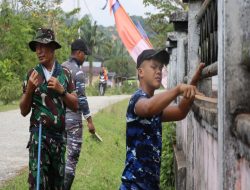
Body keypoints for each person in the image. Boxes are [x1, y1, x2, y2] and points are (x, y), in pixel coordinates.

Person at [119, 49, 205, 190]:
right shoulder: (137, 99)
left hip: (150, 185)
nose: (159, 71)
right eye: (153, 67)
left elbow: (180, 112)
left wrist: (193, 84)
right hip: (134, 185)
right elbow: (147, 108)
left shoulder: (154, 105)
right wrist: (177, 90)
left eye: (161, 68)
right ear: (141, 72)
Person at [19, 28, 78, 189]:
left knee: (56, 183)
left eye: (43, 46)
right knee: (38, 183)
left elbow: (75, 104)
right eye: (36, 47)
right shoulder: (32, 74)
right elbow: (23, 111)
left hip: (59, 139)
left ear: (52, 48)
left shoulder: (65, 74)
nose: (39, 51)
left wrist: (62, 90)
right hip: (39, 136)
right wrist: (30, 89)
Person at [62, 39, 96, 189]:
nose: (85, 58)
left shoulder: (60, 67)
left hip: (58, 119)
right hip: (73, 121)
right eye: (85, 55)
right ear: (79, 53)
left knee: (60, 156)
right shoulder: (78, 72)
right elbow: (81, 99)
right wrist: (89, 121)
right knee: (71, 158)